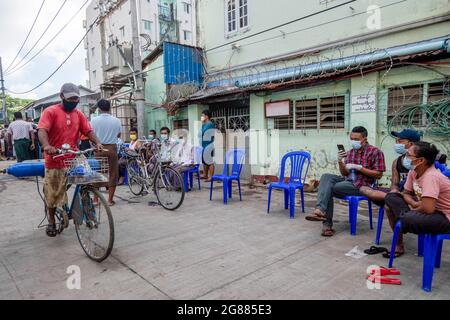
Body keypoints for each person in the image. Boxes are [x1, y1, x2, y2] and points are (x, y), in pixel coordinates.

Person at [38, 83, 103, 237]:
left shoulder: (78, 114)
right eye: (70, 98)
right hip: (55, 158)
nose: (74, 101)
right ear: (62, 96)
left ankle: (88, 211)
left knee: (88, 179)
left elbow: (88, 130)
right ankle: (52, 220)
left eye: (76, 99)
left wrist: (98, 142)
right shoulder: (50, 111)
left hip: (73, 156)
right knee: (53, 193)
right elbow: (42, 130)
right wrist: (47, 146)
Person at [305, 126, 386, 237]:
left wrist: (360, 168)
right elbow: (344, 173)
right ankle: (320, 210)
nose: (353, 141)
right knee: (326, 177)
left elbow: (378, 174)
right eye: (351, 138)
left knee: (328, 188)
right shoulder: (350, 153)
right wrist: (340, 162)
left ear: (364, 139)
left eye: (356, 139)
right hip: (347, 181)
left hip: (362, 185)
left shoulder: (375, 152)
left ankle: (326, 224)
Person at [384, 141, 450, 258]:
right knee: (391, 196)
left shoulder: (431, 176)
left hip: (445, 216)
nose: (405, 158)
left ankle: (404, 218)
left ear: (421, 160)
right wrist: (414, 203)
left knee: (408, 217)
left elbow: (428, 209)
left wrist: (413, 208)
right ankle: (404, 217)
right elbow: (406, 193)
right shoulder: (414, 172)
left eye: (409, 155)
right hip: (429, 210)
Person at [360, 129, 421, 203]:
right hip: (400, 193)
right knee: (364, 189)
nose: (397, 144)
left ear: (411, 144)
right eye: (396, 141)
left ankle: (393, 198)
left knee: (388, 202)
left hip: (415, 194)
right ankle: (393, 198)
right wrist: (394, 190)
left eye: (400, 141)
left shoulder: (421, 161)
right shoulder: (396, 162)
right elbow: (395, 183)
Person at [90, 99, 122, 206]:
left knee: (97, 173)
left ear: (99, 108)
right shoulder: (116, 120)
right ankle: (109, 200)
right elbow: (118, 135)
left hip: (98, 148)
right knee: (113, 173)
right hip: (112, 149)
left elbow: (90, 135)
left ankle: (95, 200)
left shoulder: (93, 120)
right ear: (109, 108)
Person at [200, 110, 215, 182]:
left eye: (202, 115)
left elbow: (203, 133)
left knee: (209, 162)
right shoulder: (204, 124)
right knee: (204, 161)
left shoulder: (210, 124)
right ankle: (205, 174)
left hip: (209, 145)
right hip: (204, 145)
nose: (201, 117)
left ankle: (211, 177)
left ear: (206, 116)